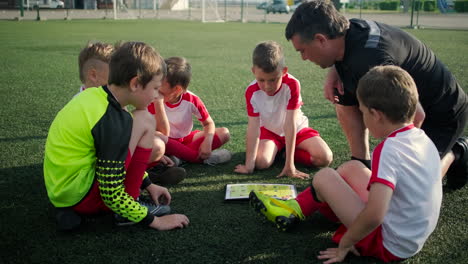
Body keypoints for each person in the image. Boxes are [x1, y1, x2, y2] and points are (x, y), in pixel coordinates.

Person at [249, 65, 442, 262]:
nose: (363, 119)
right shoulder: (422, 137)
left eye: (363, 112)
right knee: (352, 167)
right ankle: (297, 208)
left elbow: (375, 215)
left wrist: (346, 243)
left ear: (376, 114)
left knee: (324, 177)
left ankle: (296, 209)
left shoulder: (388, 150)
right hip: (411, 236)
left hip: (388, 243)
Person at [285, 0, 468, 188]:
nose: (304, 58)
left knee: (411, 187)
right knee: (342, 96)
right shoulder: (347, 34)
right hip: (415, 103)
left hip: (442, 113)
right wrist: (335, 70)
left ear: (321, 39)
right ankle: (361, 162)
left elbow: (415, 117)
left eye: (303, 51)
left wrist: (392, 164)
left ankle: (457, 151)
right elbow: (352, 56)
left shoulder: (373, 61)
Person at [44, 41, 189, 231]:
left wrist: (148, 184)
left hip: (63, 191)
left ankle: (133, 194)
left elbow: (113, 157)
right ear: (135, 83)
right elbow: (111, 193)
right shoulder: (111, 118)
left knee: (142, 119)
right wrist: (155, 221)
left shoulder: (97, 98)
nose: (156, 96)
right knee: (144, 119)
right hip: (80, 197)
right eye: (154, 88)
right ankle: (127, 209)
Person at [234, 41, 332, 179]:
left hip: (297, 130)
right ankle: (280, 150)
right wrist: (248, 166)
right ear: (254, 71)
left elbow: (290, 123)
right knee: (261, 163)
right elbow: (253, 127)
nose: (267, 86)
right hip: (270, 131)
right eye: (261, 80)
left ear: (284, 71)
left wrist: (290, 165)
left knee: (324, 158)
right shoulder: (251, 92)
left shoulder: (292, 84)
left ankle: (286, 153)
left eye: (273, 80)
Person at [147, 56, 231, 165]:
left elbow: (208, 123)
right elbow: (161, 133)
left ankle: (178, 159)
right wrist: (158, 104)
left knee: (224, 133)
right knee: (159, 141)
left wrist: (208, 142)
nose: (156, 89)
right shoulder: (154, 99)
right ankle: (197, 158)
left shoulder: (191, 99)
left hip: (185, 139)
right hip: (164, 142)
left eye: (159, 86)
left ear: (177, 89)